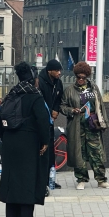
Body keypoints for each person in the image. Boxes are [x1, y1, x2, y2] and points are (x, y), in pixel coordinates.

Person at [0, 62, 50, 217]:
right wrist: (45, 141)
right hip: (28, 141)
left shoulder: (11, 94)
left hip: (9, 141)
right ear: (33, 78)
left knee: (12, 176)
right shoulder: (35, 96)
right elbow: (43, 121)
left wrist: (4, 138)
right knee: (28, 177)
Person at [60, 61, 109, 190]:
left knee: (97, 152)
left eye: (83, 77)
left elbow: (100, 106)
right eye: (78, 77)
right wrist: (72, 110)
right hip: (77, 126)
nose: (80, 79)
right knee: (79, 153)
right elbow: (62, 106)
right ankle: (81, 179)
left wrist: (104, 123)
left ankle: (101, 180)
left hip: (92, 125)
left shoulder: (94, 88)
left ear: (87, 77)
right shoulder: (69, 90)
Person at [38, 59, 64, 189]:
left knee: (51, 152)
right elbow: (39, 102)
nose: (59, 73)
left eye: (60, 70)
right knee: (42, 149)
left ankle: (50, 179)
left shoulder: (58, 83)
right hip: (41, 121)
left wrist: (56, 109)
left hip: (51, 121)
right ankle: (41, 180)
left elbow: (59, 98)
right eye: (57, 71)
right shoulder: (40, 82)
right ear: (50, 71)